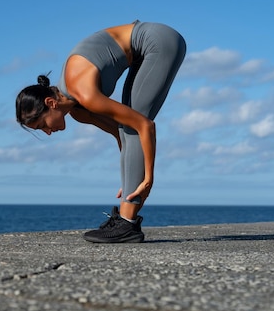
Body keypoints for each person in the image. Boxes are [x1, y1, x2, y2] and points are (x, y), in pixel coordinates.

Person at [15, 20, 186, 243]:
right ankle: (126, 219)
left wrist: (148, 179)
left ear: (51, 103)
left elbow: (145, 126)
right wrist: (129, 180)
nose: (48, 132)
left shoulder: (82, 93)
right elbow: (119, 135)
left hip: (159, 41)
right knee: (127, 128)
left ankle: (127, 223)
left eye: (42, 125)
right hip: (143, 52)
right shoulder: (79, 111)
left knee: (133, 124)